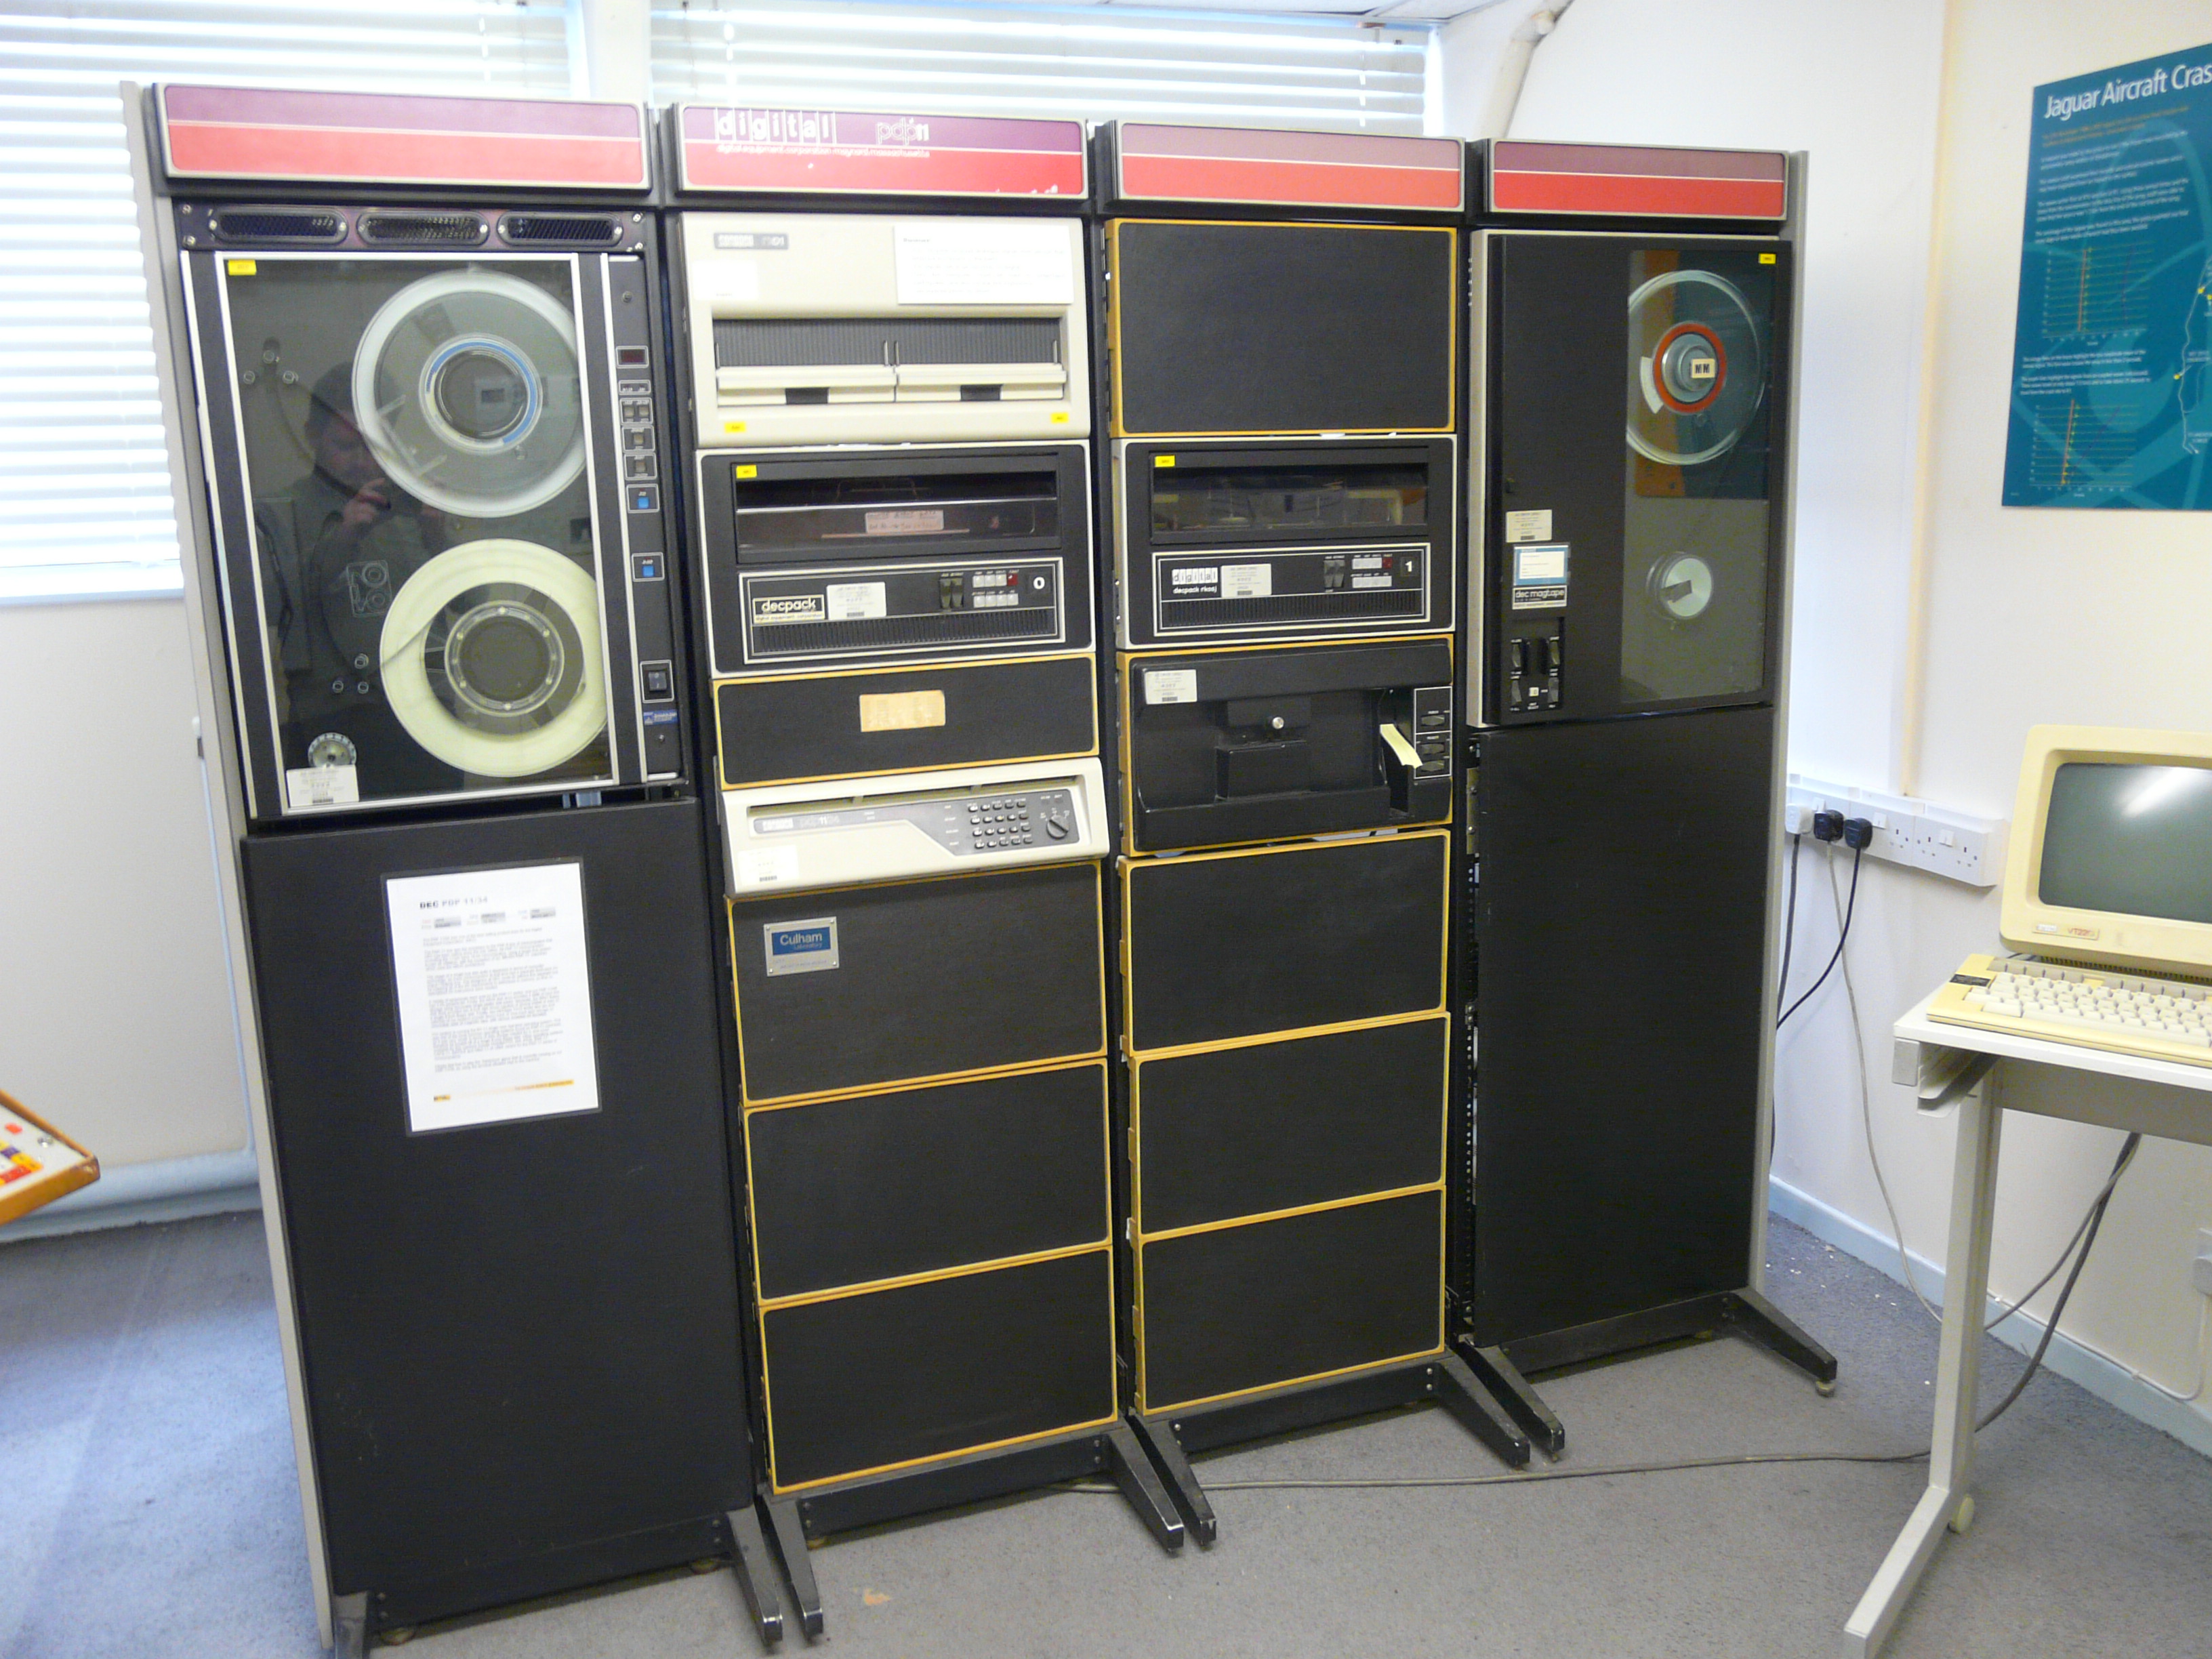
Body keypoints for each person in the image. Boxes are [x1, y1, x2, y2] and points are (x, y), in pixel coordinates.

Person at [253, 363, 449, 785]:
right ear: (311, 438)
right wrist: (343, 537)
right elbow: (270, 610)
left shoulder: (418, 505)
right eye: (347, 446)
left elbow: (478, 604)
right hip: (331, 720)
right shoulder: (281, 511)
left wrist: (439, 536)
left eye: (377, 445)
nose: (364, 462)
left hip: (429, 714)